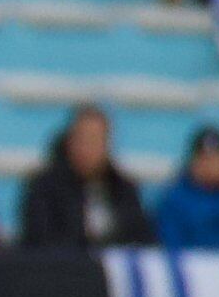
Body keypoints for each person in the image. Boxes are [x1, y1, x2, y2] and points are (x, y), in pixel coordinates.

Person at [17, 103, 156, 245]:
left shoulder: (124, 190)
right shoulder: (44, 189)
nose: (86, 148)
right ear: (70, 141)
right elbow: (41, 241)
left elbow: (142, 239)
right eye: (81, 139)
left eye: (94, 140)